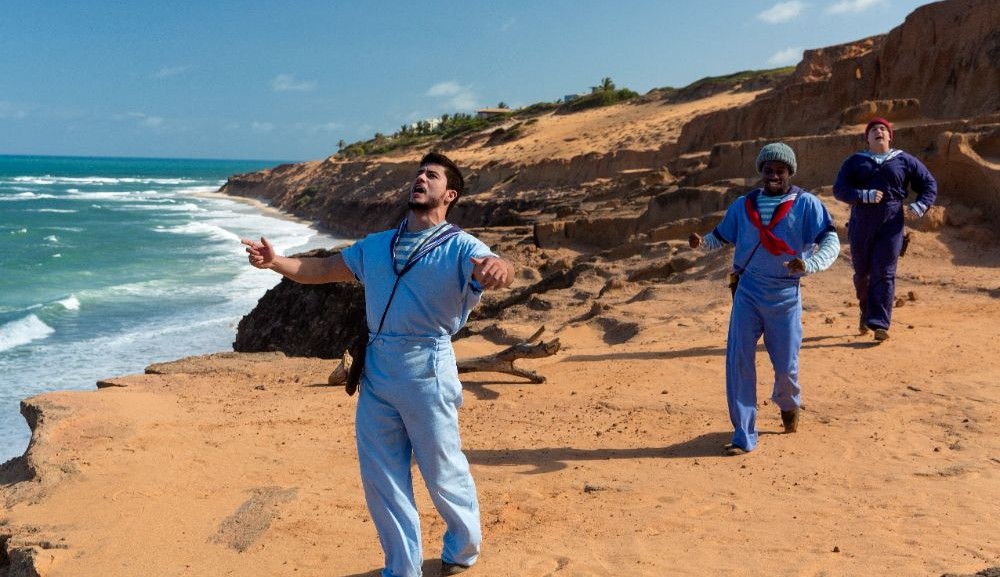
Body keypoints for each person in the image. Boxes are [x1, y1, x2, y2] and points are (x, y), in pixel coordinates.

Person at [242, 152, 514, 577]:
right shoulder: (377, 244)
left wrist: (500, 268)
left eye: (432, 175)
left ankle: (462, 548)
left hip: (428, 365)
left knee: (441, 470)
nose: (420, 178)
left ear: (450, 193)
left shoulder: (462, 246)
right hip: (378, 367)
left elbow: (495, 268)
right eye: (419, 173)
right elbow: (323, 268)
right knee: (381, 477)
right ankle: (401, 569)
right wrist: (276, 261)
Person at [689, 142, 840, 456]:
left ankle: (788, 404)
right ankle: (743, 434)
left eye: (780, 171)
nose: (774, 175)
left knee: (786, 365)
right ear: (761, 172)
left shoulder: (807, 204)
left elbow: (830, 239)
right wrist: (701, 243)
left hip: (786, 294)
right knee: (739, 361)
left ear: (790, 173)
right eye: (768, 170)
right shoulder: (744, 205)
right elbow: (719, 238)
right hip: (748, 291)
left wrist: (810, 264)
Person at [833, 117, 937, 341]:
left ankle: (880, 323)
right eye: (873, 130)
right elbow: (839, 189)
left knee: (885, 272)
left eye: (883, 129)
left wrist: (920, 206)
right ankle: (865, 309)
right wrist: (862, 195)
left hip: (892, 223)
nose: (878, 131)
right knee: (862, 274)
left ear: (890, 136)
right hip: (861, 222)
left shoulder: (904, 160)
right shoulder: (855, 161)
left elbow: (929, 184)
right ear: (867, 138)